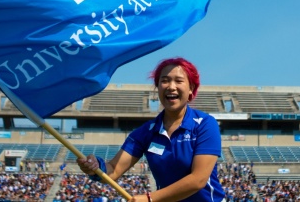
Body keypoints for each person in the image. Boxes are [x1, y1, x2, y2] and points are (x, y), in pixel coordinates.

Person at [77, 57, 224, 202]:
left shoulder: (205, 124)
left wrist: (150, 198)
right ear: (158, 87)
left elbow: (198, 180)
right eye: (164, 80)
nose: (171, 86)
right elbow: (113, 170)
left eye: (179, 81)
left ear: (191, 88)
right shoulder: (145, 132)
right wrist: (95, 168)